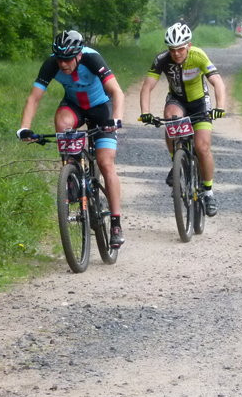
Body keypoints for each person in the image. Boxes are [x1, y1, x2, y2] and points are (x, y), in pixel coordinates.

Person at [16, 30, 126, 248]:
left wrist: (116, 119)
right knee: (62, 123)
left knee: (105, 163)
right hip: (74, 106)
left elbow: (117, 92)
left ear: (78, 55)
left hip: (101, 109)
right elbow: (34, 98)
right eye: (60, 59)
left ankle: (115, 222)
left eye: (67, 59)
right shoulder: (51, 64)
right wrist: (25, 128)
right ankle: (71, 172)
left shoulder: (92, 58)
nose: (63, 64)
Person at [137, 22, 226, 217]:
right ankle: (175, 163)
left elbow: (217, 81)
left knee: (202, 147)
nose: (176, 54)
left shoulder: (198, 55)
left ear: (189, 46)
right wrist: (145, 111)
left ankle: (209, 192)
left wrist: (220, 107)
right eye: (172, 50)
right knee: (170, 118)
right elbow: (147, 86)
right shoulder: (162, 59)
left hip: (199, 102)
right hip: (177, 100)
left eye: (180, 49)